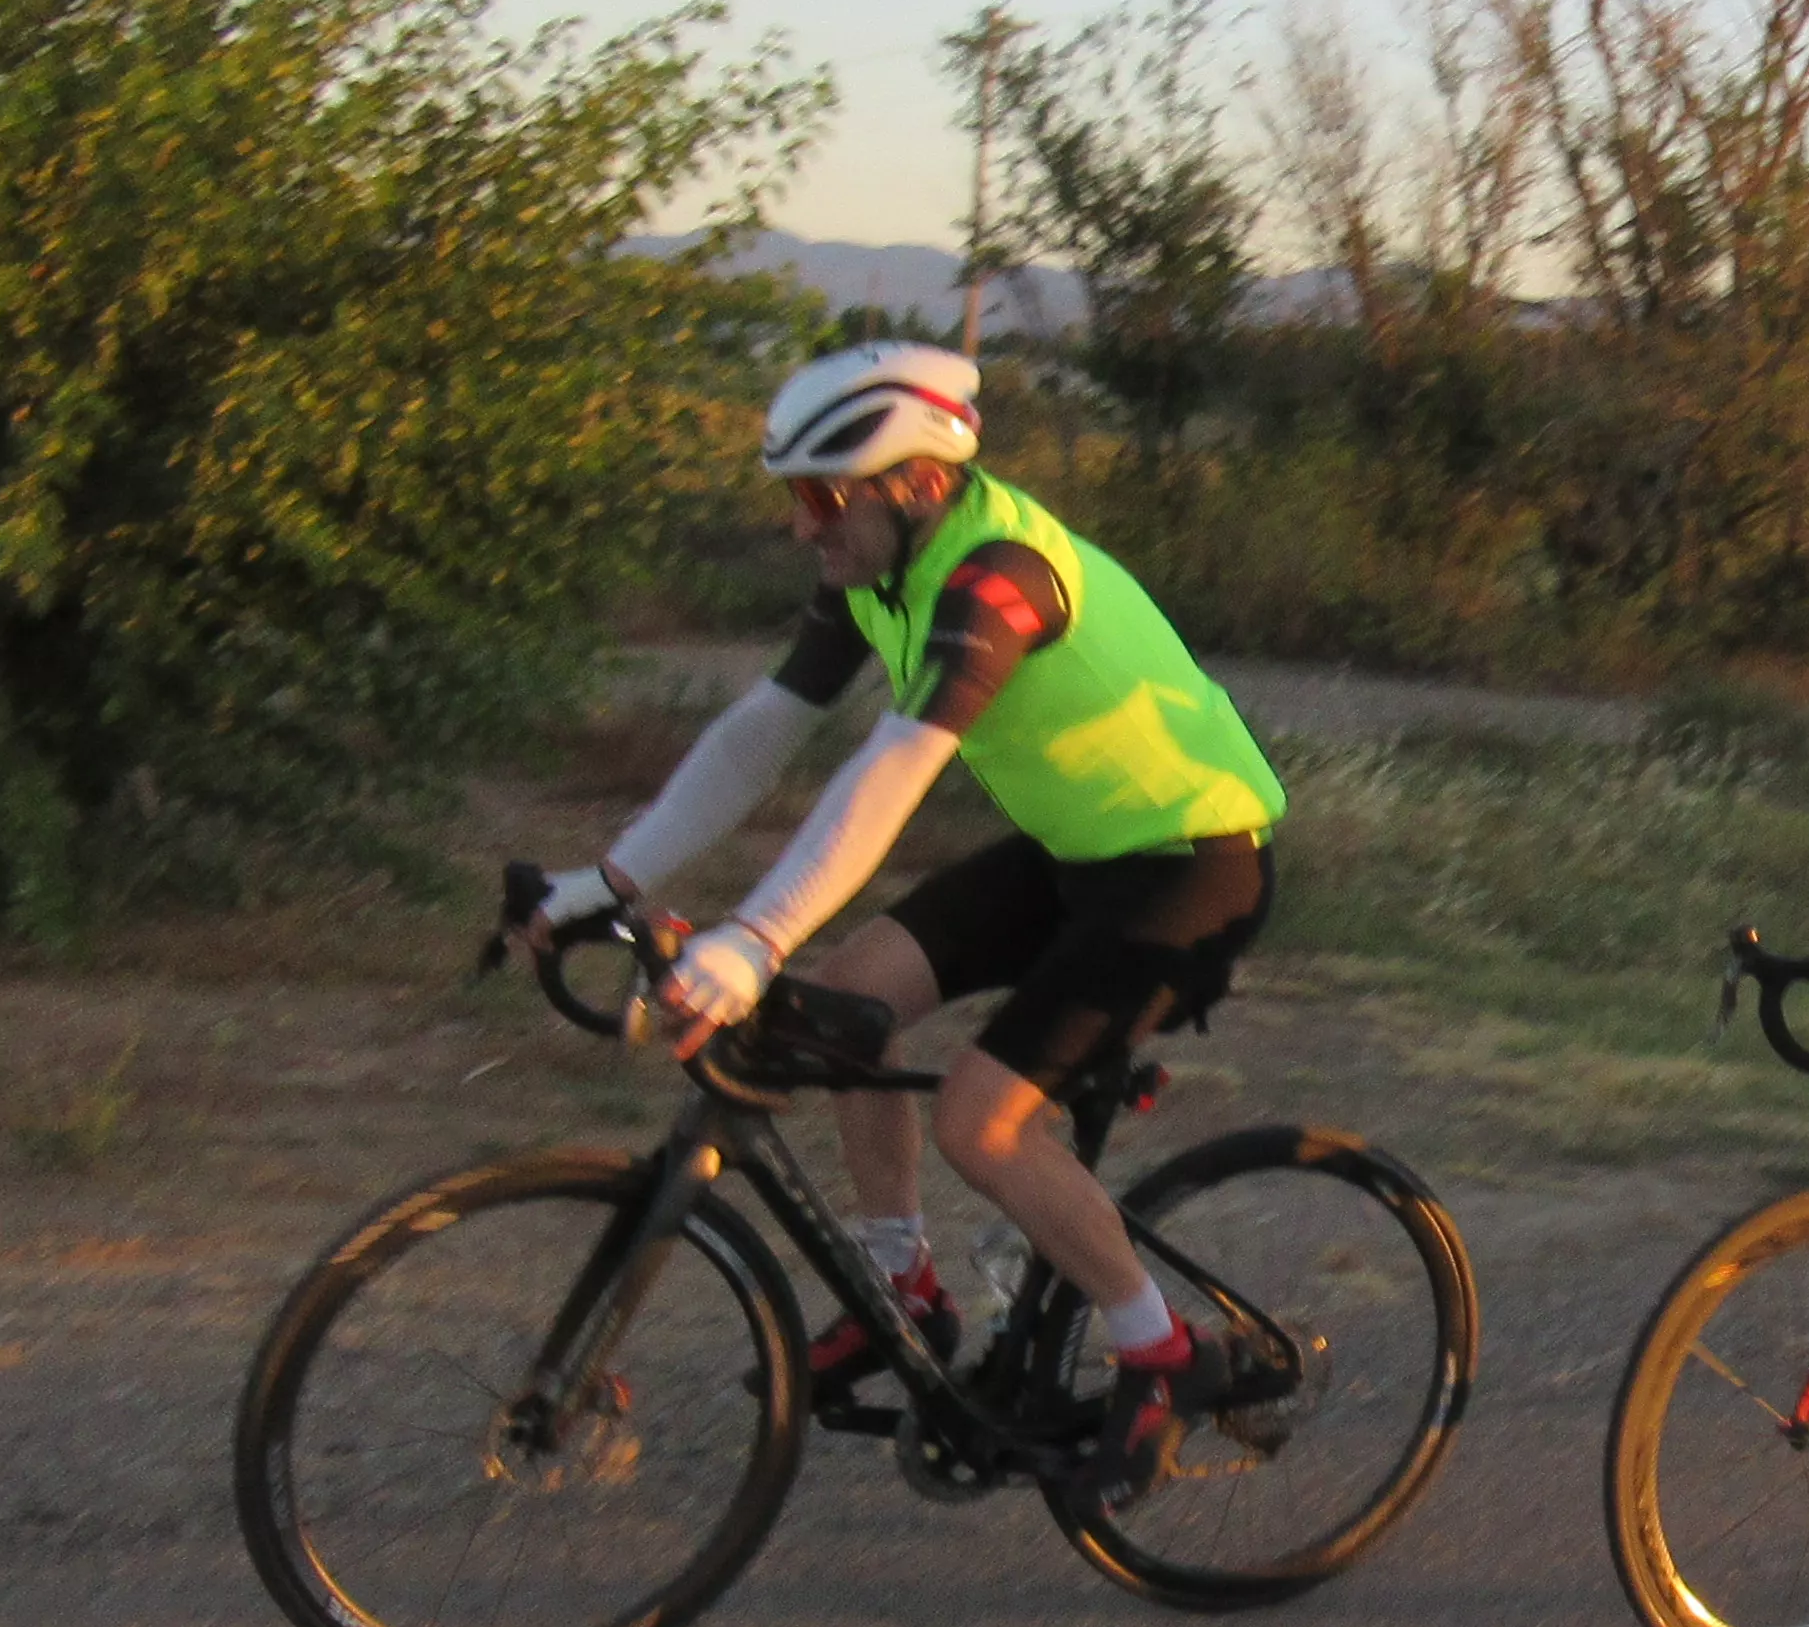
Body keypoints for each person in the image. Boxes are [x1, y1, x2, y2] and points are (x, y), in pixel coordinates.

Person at [520, 341, 1291, 1488]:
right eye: (795, 497)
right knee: (827, 1014)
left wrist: (752, 933)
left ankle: (1162, 1350)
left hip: (1192, 866)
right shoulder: (878, 571)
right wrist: (613, 879)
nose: (803, 527)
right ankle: (907, 1295)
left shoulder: (1000, 581)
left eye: (823, 498)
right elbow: (762, 731)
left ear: (918, 484)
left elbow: (894, 770)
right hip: (1075, 849)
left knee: (980, 1123)